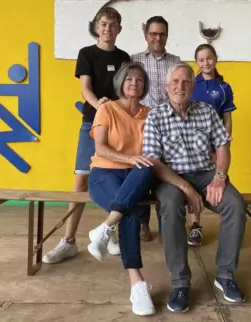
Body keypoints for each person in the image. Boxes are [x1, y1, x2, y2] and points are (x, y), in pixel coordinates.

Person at [142, 63, 247, 312]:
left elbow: (222, 145)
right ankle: (180, 283)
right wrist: (186, 189)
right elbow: (154, 162)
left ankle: (225, 275)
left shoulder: (207, 111)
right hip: (170, 178)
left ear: (193, 86)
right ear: (167, 87)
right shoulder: (155, 116)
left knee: (235, 204)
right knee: (170, 205)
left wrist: (220, 176)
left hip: (206, 174)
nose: (181, 86)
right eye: (176, 82)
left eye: (186, 82)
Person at [43, 6, 131, 264]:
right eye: (103, 24)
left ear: (119, 29)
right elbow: (86, 89)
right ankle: (68, 241)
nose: (108, 29)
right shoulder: (87, 54)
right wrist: (101, 107)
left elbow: (125, 93)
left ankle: (110, 231)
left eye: (113, 25)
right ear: (96, 27)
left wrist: (116, 110)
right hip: (91, 124)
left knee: (116, 178)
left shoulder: (125, 57)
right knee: (81, 180)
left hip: (117, 126)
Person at [87, 62, 156, 316]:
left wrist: (136, 162)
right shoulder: (107, 108)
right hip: (104, 173)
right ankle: (136, 282)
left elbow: (152, 152)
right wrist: (129, 158)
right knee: (130, 210)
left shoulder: (150, 113)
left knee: (147, 167)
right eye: (129, 79)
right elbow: (101, 148)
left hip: (135, 177)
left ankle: (105, 228)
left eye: (139, 80)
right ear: (121, 83)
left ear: (144, 85)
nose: (134, 84)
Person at [130, 15, 182, 243]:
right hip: (140, 125)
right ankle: (143, 224)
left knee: (166, 175)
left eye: (161, 34)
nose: (157, 38)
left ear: (167, 36)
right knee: (142, 173)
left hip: (169, 127)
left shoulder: (176, 62)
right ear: (146, 35)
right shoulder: (134, 61)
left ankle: (165, 225)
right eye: (153, 34)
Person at [186, 43, 237, 247]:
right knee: (193, 186)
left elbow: (227, 118)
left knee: (217, 182)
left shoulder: (224, 88)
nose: (205, 62)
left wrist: (222, 144)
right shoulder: (191, 85)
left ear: (215, 58)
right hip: (193, 146)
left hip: (215, 146)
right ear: (196, 63)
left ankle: (230, 225)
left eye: (209, 58)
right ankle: (195, 226)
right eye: (201, 60)